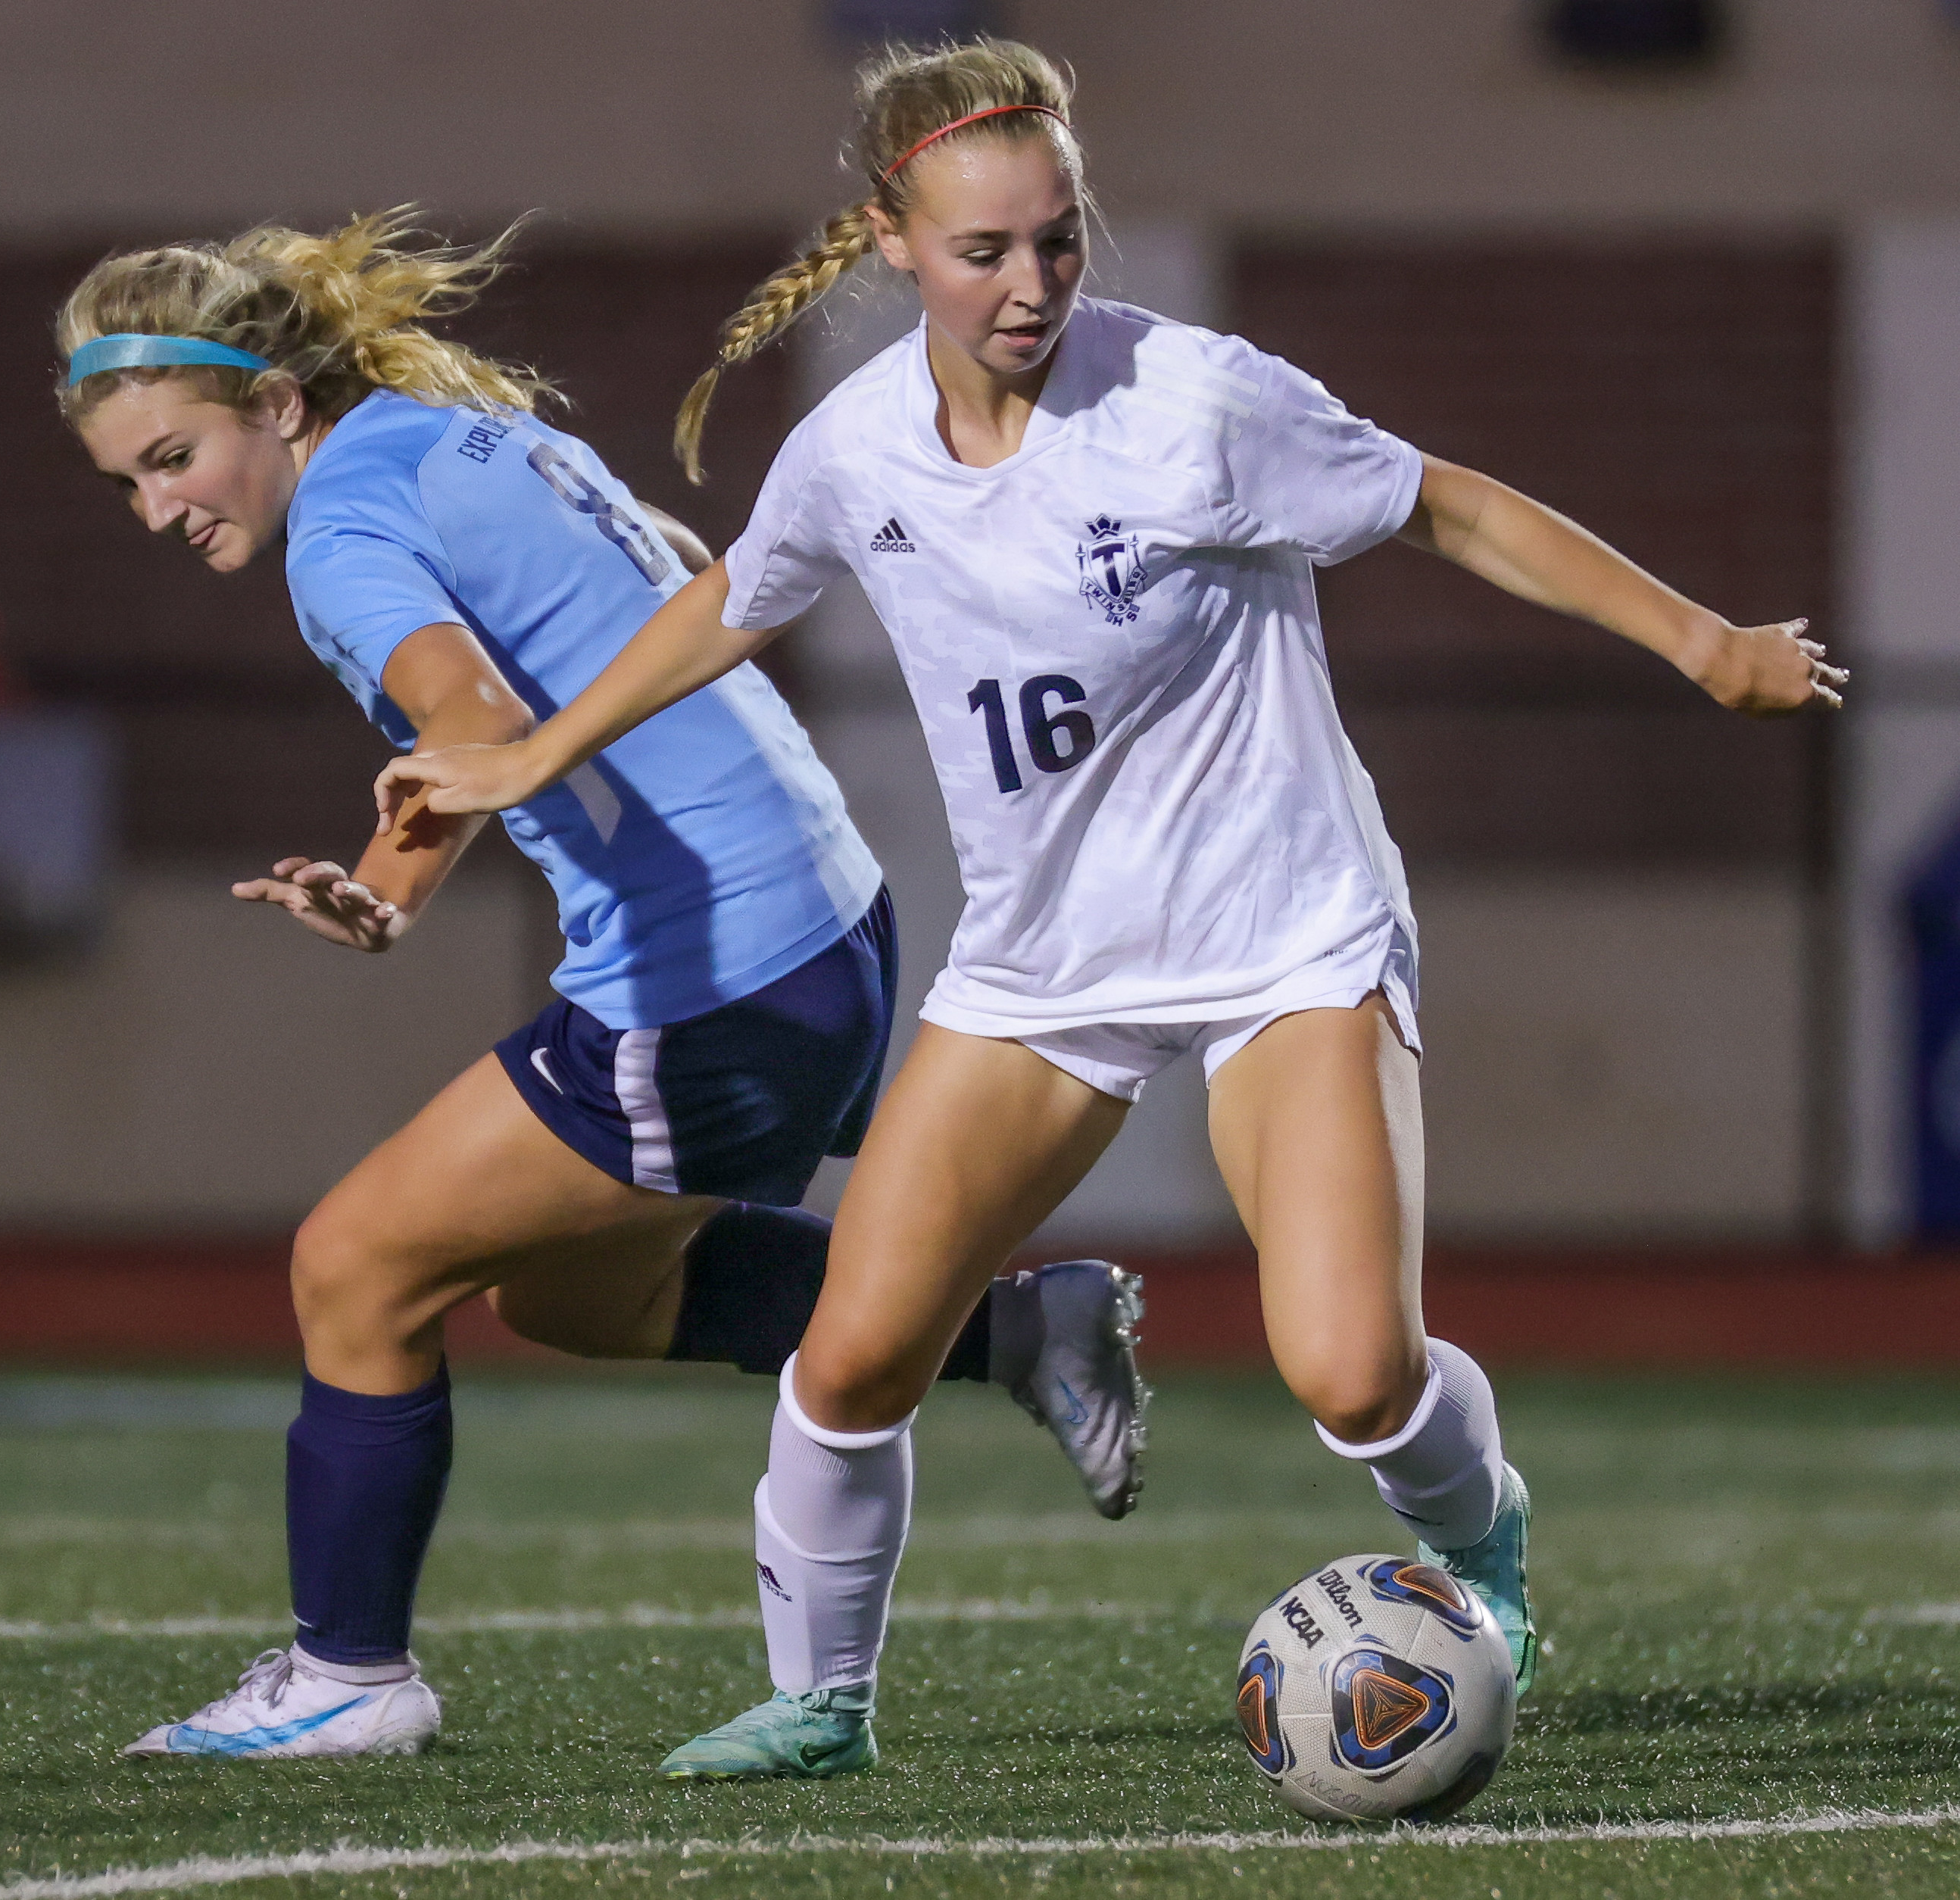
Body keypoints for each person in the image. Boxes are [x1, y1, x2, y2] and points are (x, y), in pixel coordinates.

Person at [376, 40, 1846, 1783]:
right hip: (1044, 965)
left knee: (1352, 1368)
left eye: (1058, 241)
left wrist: (1705, 644)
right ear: (889, 242)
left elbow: (1449, 506)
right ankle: (822, 1702)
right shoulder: (854, 452)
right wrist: (532, 752)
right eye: (985, 250)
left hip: (1284, 931)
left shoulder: (1197, 403)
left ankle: (1482, 1551)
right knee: (853, 1348)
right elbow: (731, 605)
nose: (1030, 284)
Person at [55, 209, 1149, 1761]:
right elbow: (679, 574)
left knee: (353, 1266)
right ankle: (1015, 1331)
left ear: (275, 404)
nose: (158, 505)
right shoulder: (460, 436)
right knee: (573, 1293)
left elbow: (469, 708)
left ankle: (348, 1674)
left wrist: (389, 880)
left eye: (173, 457)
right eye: (127, 482)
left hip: (707, 975)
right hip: (824, 925)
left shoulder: (344, 535)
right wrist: (420, 862)